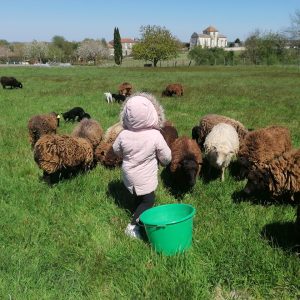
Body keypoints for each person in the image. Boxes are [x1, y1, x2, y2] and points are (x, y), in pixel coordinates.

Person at [113, 92, 172, 239]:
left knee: (136, 194)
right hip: (145, 176)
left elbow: (115, 149)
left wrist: (124, 156)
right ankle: (133, 226)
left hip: (128, 175)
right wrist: (165, 162)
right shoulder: (155, 135)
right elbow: (166, 156)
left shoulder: (123, 134)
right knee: (148, 200)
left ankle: (135, 209)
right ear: (152, 113)